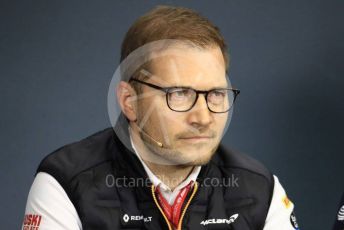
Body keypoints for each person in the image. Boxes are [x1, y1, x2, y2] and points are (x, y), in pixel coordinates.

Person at [22, 5, 299, 230]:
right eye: (179, 93)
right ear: (130, 102)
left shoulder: (261, 189)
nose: (203, 117)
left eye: (216, 93)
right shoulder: (66, 183)